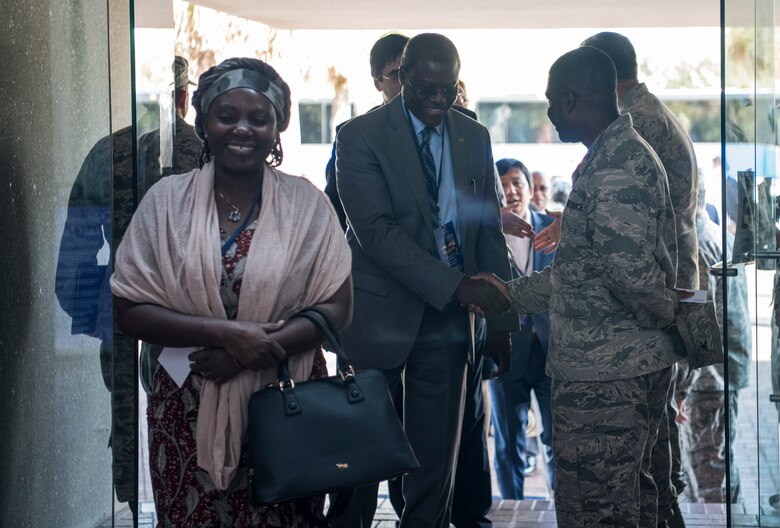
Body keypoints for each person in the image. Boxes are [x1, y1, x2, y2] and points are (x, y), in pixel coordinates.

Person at [110, 57, 352, 527]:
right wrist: (225, 334)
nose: (242, 128)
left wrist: (249, 354)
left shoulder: (308, 205)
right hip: (185, 404)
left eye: (258, 118)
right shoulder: (165, 202)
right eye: (227, 116)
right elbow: (129, 306)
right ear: (203, 121)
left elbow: (338, 306)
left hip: (287, 399)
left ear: (277, 127)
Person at [479, 46, 682, 527]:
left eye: (551, 101)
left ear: (571, 99)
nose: (548, 113)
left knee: (600, 512)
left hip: (606, 381)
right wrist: (507, 294)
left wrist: (667, 322)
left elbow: (634, 279)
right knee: (632, 502)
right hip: (614, 369)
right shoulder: (608, 155)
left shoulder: (615, 165)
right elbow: (583, 273)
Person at [333, 33, 514, 528]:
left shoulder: (473, 136)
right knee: (357, 465)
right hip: (376, 319)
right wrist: (456, 286)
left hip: (449, 324)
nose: (437, 102)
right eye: (425, 89)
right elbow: (375, 233)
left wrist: (502, 323)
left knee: (434, 468)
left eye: (447, 90)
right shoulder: (359, 136)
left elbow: (486, 230)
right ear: (402, 77)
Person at [55, 55, 201, 519]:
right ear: (183, 98)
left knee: (156, 445)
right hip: (203, 326)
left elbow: (72, 266)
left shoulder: (107, 154)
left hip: (139, 328)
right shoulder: (208, 153)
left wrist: (115, 313)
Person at [582, 32, 700, 528]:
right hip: (665, 285)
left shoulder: (639, 122)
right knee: (653, 445)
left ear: (603, 75)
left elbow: (627, 224)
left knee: (648, 452)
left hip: (655, 294)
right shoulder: (649, 111)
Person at [676, 175, 751, 504]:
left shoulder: (696, 249)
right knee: (719, 468)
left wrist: (680, 390)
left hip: (709, 381)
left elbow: (699, 329)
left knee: (709, 477)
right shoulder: (714, 237)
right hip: (721, 376)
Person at [488, 158, 555, 499]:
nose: (511, 191)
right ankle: (514, 506)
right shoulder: (485, 234)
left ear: (531, 188)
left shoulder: (553, 227)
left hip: (551, 352)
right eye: (502, 184)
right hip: (506, 352)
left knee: (557, 437)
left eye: (517, 182)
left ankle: (563, 504)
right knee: (508, 441)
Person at [324, 32, 409, 231]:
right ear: (377, 81)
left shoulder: (448, 129)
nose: (407, 82)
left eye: (411, 72)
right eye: (396, 75)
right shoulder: (355, 136)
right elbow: (335, 207)